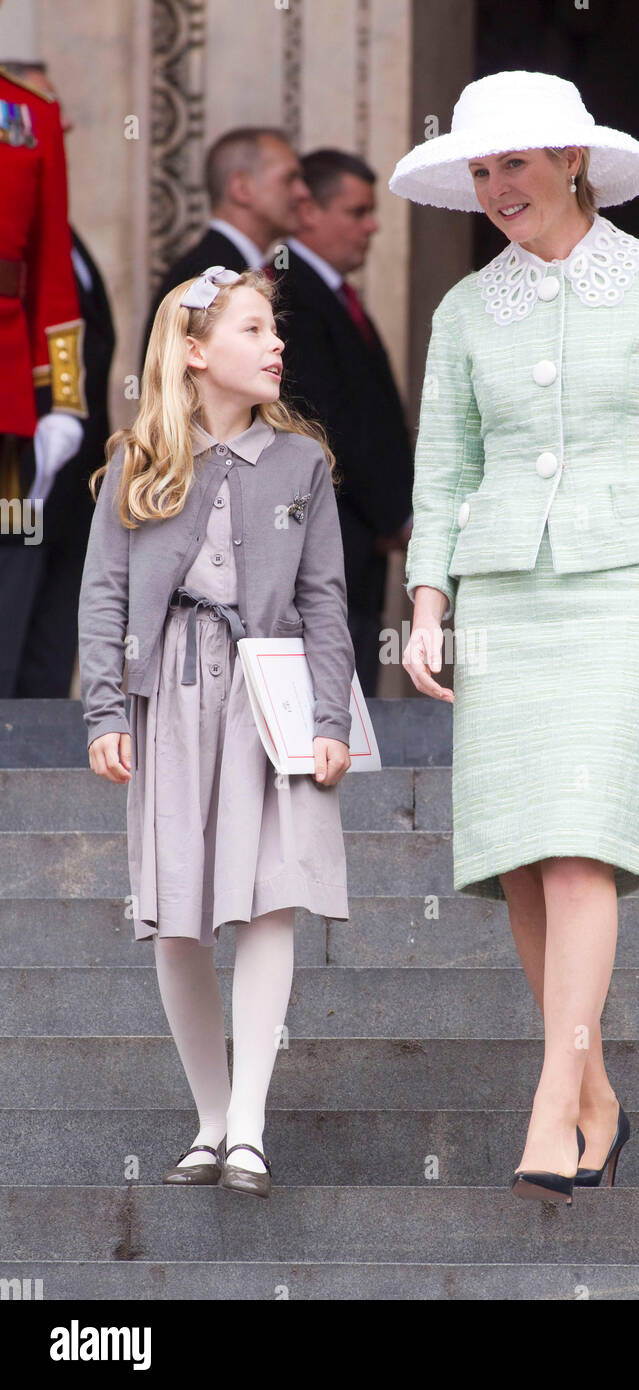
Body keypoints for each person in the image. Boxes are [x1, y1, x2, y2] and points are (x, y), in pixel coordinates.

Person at [392, 71, 639, 1203]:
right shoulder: (462, 311)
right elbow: (442, 466)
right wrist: (424, 599)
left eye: (514, 161)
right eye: (479, 167)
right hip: (504, 581)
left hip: (627, 578)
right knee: (517, 854)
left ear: (573, 162)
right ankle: (597, 1093)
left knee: (575, 840)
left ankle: (553, 1099)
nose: (496, 185)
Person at [77, 266, 354, 1198]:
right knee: (178, 914)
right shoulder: (138, 462)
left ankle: (250, 1125)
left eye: (276, 330)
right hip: (173, 703)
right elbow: (104, 595)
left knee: (270, 897)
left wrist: (329, 719)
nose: (277, 344)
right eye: (253, 329)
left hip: (269, 701)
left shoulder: (301, 462)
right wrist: (107, 709)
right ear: (195, 352)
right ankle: (208, 1117)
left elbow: (325, 601)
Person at [270, 149, 413, 695]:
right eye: (357, 212)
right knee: (329, 694)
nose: (372, 226)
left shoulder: (332, 293)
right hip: (334, 529)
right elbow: (323, 420)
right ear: (310, 212)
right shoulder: (289, 291)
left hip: (361, 535)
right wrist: (392, 516)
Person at [1, 57, 115, 697]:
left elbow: (48, 276)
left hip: (9, 398)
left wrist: (63, 403)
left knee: (12, 566)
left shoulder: (26, 114)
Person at [139, 128, 311, 367]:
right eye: (289, 179)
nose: (303, 192)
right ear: (241, 188)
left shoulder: (240, 267)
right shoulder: (206, 276)